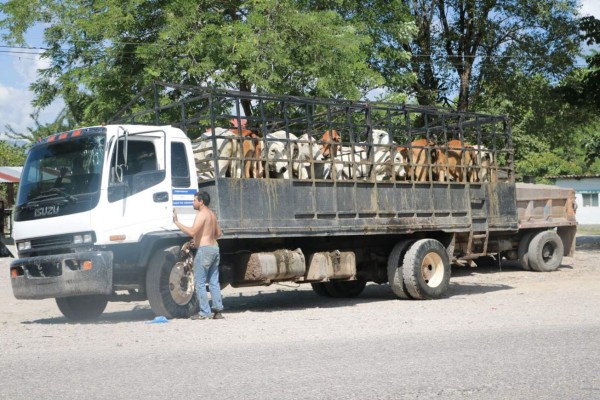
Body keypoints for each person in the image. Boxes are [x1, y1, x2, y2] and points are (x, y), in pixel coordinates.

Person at [173, 191, 224, 320]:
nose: (193, 202)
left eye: (194, 200)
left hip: (205, 250)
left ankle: (205, 312)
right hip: (214, 248)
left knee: (199, 282)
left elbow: (192, 231)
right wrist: (202, 238)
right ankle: (218, 311)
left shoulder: (202, 214)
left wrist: (177, 222)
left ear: (201, 202)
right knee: (213, 281)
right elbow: (218, 234)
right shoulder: (212, 214)